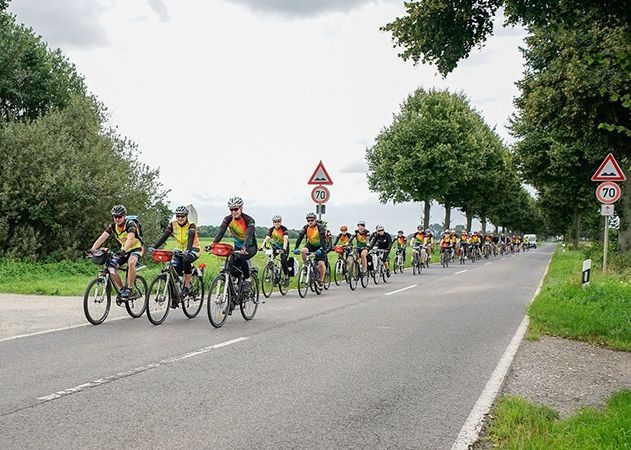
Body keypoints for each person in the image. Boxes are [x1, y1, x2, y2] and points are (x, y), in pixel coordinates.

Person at [89, 205, 144, 300]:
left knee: (131, 262)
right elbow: (102, 238)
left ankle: (129, 289)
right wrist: (92, 249)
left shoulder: (130, 224)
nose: (117, 219)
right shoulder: (112, 226)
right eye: (115, 217)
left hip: (137, 248)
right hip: (124, 249)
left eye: (120, 217)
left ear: (124, 216)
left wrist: (124, 250)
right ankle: (122, 289)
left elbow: (130, 239)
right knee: (111, 267)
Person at [150, 206, 200, 304]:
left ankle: (186, 287)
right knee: (174, 268)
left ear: (186, 216)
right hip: (179, 250)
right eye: (178, 216)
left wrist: (188, 250)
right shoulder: (172, 224)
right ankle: (175, 296)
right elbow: (164, 236)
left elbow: (190, 239)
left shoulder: (191, 225)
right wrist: (154, 247)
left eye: (182, 216)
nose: (180, 218)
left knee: (186, 261)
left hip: (193, 248)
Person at [211, 197, 257, 293]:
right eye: (231, 209)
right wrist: (213, 244)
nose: (233, 212)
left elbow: (248, 235)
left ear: (241, 208)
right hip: (237, 247)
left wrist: (244, 247)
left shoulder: (249, 220)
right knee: (231, 266)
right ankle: (233, 291)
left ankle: (248, 279)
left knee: (241, 257)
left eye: (236, 209)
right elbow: (221, 232)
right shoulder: (228, 219)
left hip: (250, 247)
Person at [294, 212, 327, 288]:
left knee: (321, 263)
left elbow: (322, 239)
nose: (310, 222)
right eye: (308, 220)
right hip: (311, 244)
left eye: (312, 220)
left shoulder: (320, 227)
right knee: (304, 250)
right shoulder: (306, 227)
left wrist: (321, 248)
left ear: (315, 220)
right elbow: (300, 237)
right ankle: (306, 265)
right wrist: (296, 247)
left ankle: (321, 281)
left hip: (320, 245)